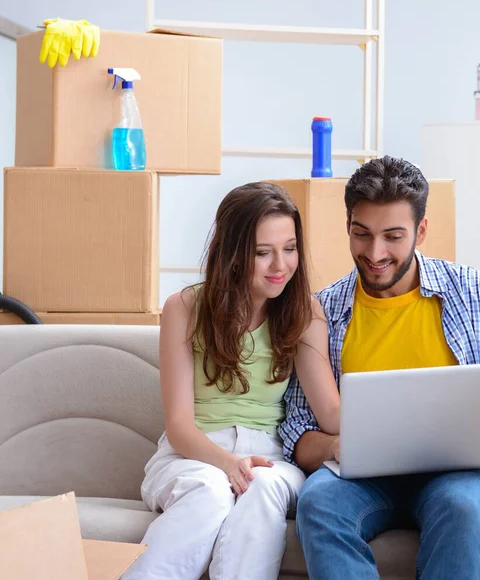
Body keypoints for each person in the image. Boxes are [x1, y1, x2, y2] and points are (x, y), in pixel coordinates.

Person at [278, 156, 480, 580]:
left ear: (421, 230)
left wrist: (433, 441)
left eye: (393, 236)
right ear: (348, 227)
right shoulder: (323, 309)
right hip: (361, 478)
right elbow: (298, 433)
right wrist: (339, 447)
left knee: (461, 508)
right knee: (319, 504)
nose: (375, 254)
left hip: (462, 476)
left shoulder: (475, 295)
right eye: (362, 235)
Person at [123, 182, 340, 580]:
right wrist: (227, 464)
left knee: (263, 487)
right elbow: (179, 426)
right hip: (192, 456)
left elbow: (330, 413)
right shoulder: (184, 308)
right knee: (210, 490)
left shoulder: (305, 313)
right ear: (233, 255)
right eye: (263, 253)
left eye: (289, 249)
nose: (280, 266)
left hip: (270, 456)